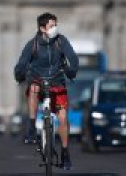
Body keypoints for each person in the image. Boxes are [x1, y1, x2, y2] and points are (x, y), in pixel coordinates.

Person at [14, 12, 79, 170]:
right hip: (38, 80)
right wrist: (19, 75)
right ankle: (30, 127)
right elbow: (22, 63)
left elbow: (73, 58)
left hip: (57, 81)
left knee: (63, 118)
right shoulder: (33, 44)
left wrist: (72, 71)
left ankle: (64, 152)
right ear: (42, 28)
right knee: (34, 89)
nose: (55, 28)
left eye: (56, 25)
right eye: (51, 26)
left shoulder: (61, 41)